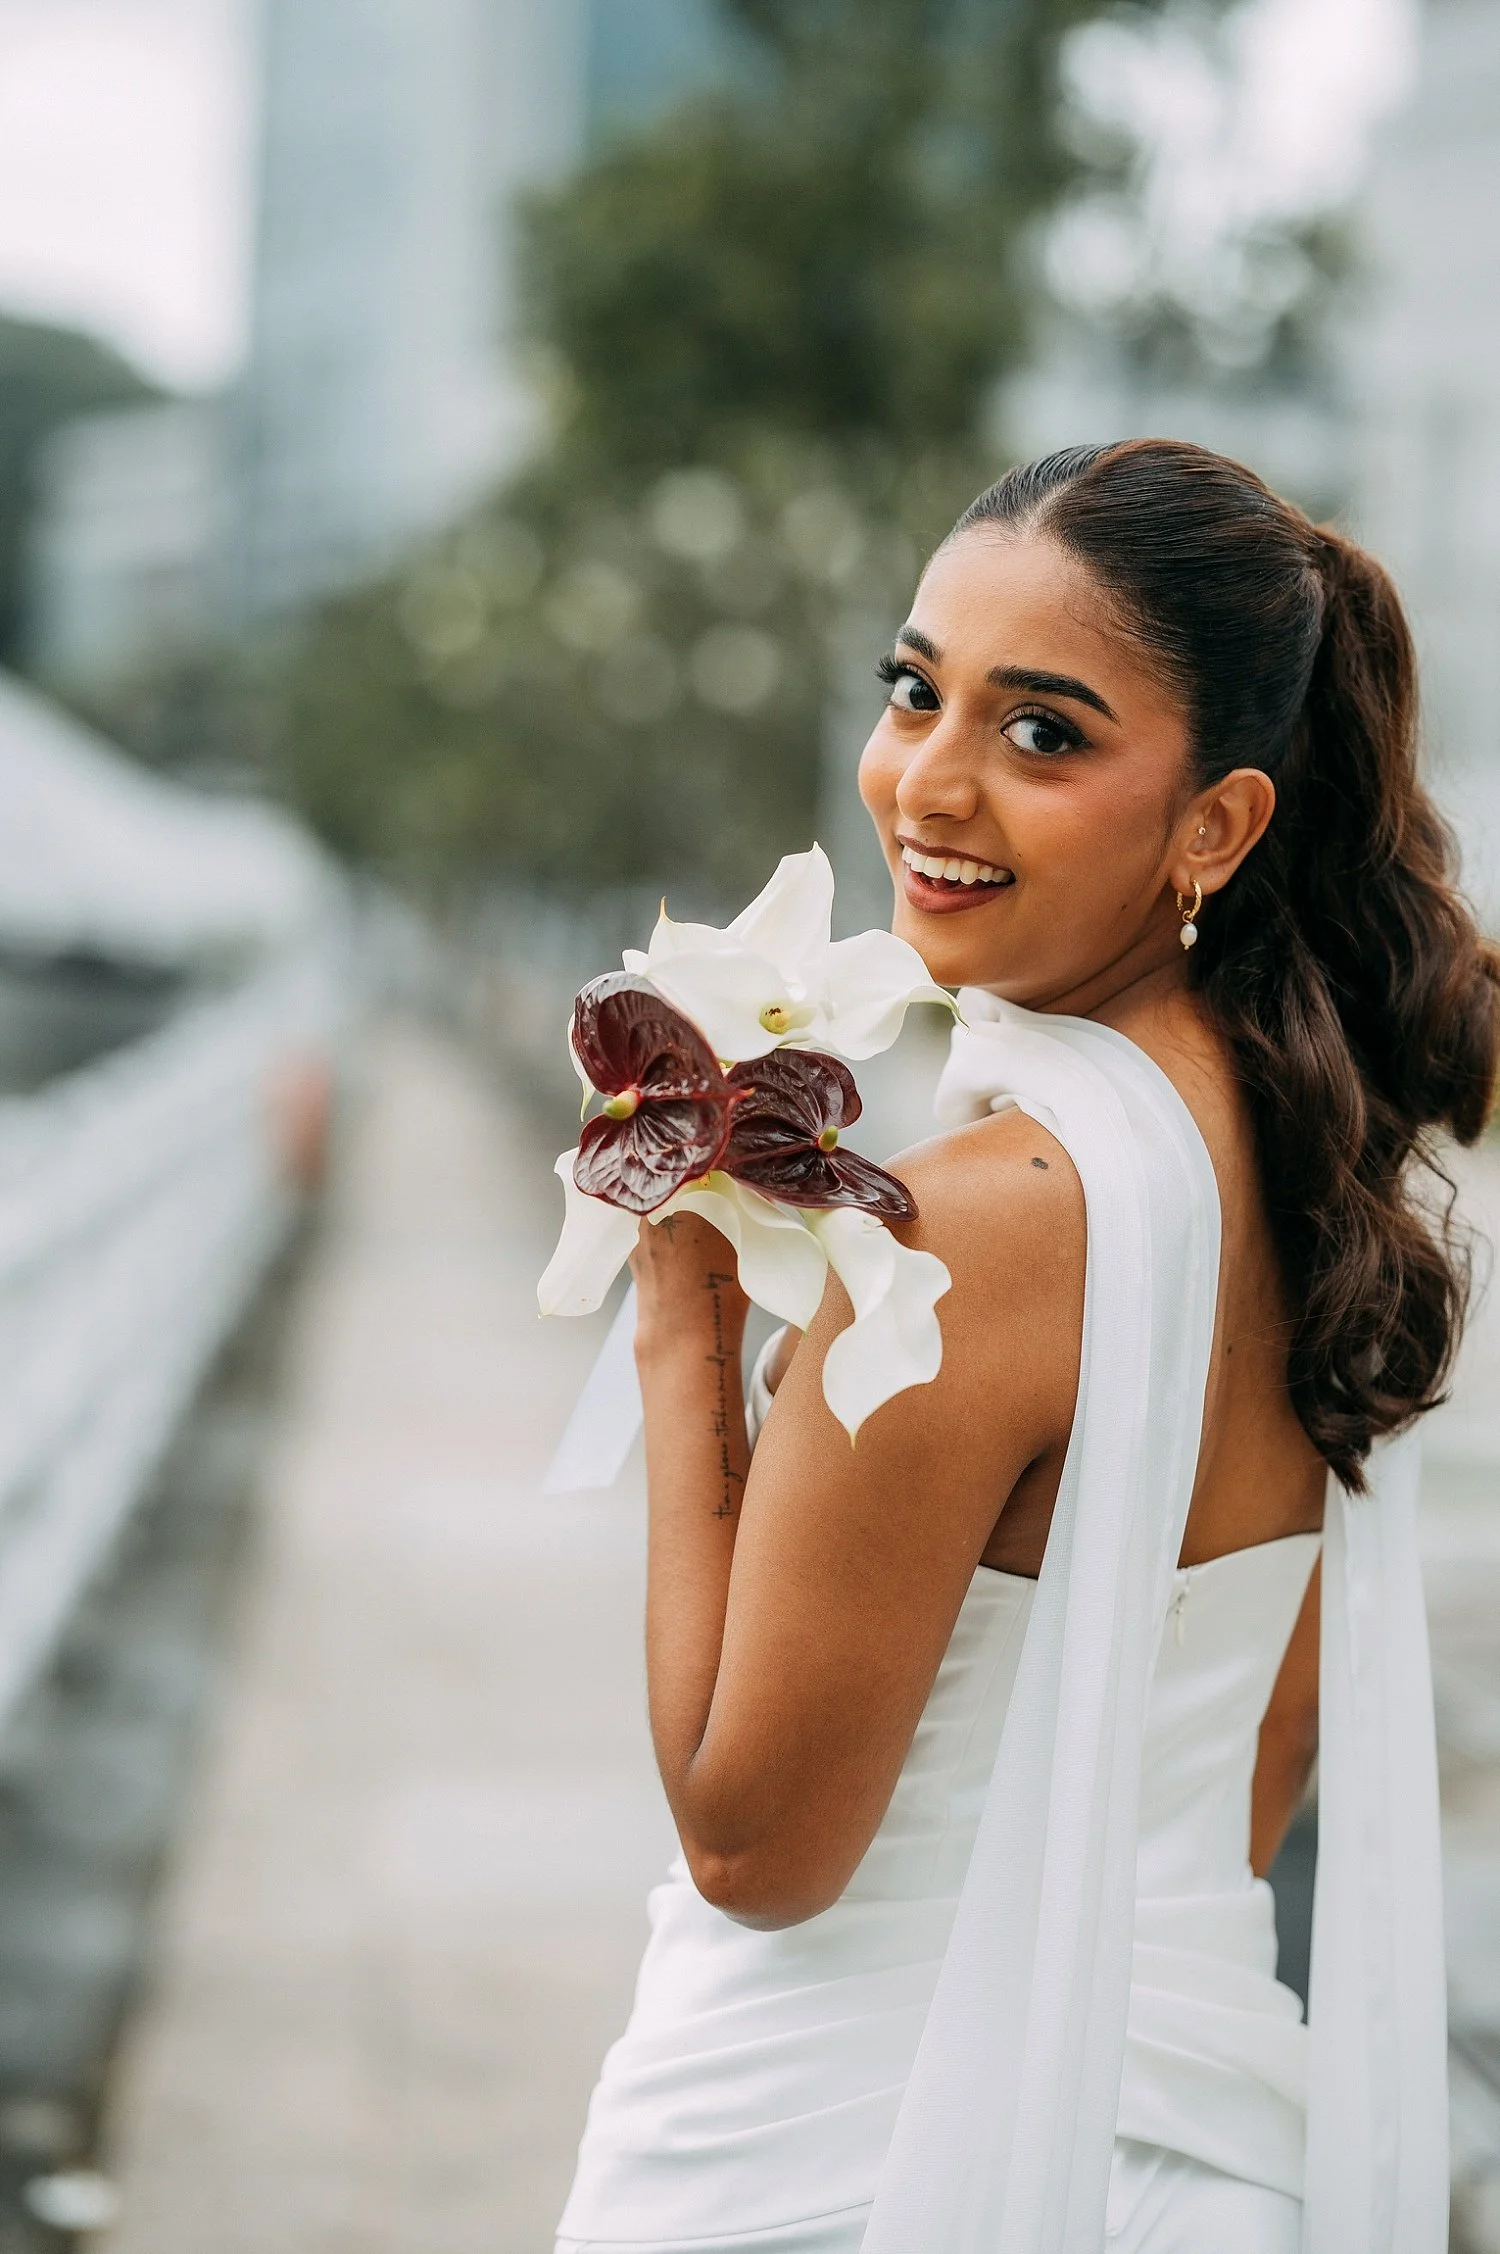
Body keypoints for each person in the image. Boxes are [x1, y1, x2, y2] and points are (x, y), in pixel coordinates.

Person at [553, 441, 1500, 2253]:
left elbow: (756, 1845)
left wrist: (683, 1319)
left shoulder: (971, 1225)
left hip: (858, 2149)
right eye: (916, 691)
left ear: (1216, 824)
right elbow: (1254, 1769)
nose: (931, 780)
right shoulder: (1306, 1180)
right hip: (1203, 2158)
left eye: (1044, 733)